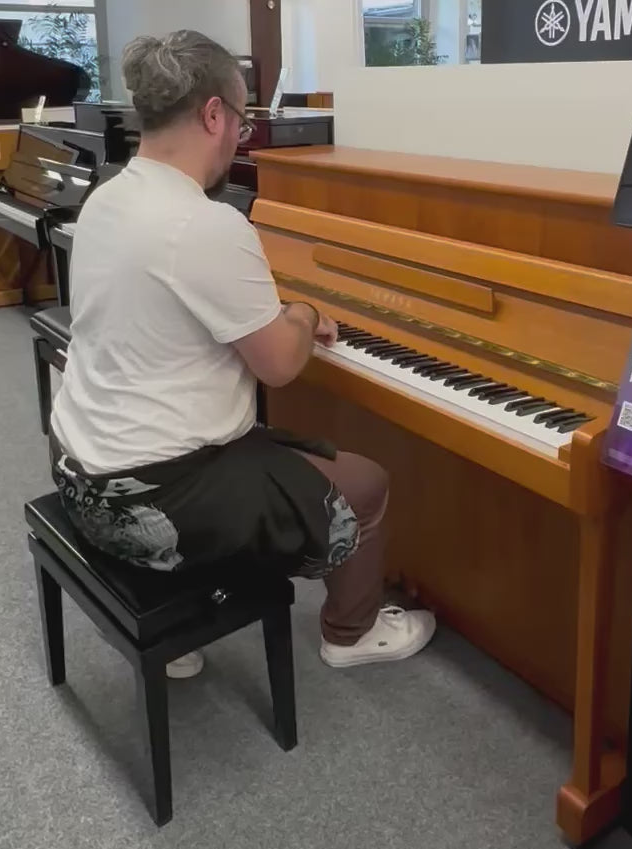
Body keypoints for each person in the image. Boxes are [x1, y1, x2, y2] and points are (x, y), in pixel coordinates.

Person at [49, 29, 435, 679]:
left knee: (277, 444)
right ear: (213, 114)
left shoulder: (108, 196)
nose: (241, 136)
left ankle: (176, 619)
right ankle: (352, 632)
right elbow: (280, 365)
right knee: (366, 484)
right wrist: (303, 312)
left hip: (78, 466)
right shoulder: (204, 222)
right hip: (151, 499)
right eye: (242, 120)